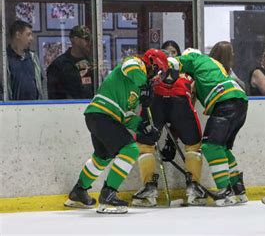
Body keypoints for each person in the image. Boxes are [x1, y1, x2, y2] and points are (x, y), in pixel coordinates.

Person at [64, 49, 168, 214]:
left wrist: (143, 127)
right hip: (102, 115)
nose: (158, 77)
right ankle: (108, 193)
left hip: (99, 117)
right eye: (159, 71)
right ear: (152, 64)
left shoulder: (135, 88)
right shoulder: (135, 63)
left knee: (102, 158)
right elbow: (131, 68)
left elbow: (126, 117)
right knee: (131, 149)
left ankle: (79, 192)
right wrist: (145, 87)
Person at [132, 42, 205, 207]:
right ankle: (194, 189)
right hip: (181, 100)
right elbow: (191, 96)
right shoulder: (187, 70)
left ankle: (149, 189)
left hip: (155, 100)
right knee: (193, 146)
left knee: (145, 145)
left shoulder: (154, 65)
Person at [173, 48, 248, 206]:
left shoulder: (193, 58)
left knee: (210, 146)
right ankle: (238, 189)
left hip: (225, 102)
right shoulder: (211, 65)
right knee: (222, 148)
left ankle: (225, 191)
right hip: (238, 101)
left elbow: (173, 63)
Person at [47, 25, 94, 99]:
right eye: (86, 39)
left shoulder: (92, 63)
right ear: (75, 40)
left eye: (90, 40)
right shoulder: (58, 65)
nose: (89, 43)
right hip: (68, 108)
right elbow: (53, 94)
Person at [6, 20, 45, 100]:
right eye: (28, 35)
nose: (31, 38)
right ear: (18, 35)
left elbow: (42, 83)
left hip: (34, 108)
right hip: (11, 109)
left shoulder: (33, 58)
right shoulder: (4, 59)